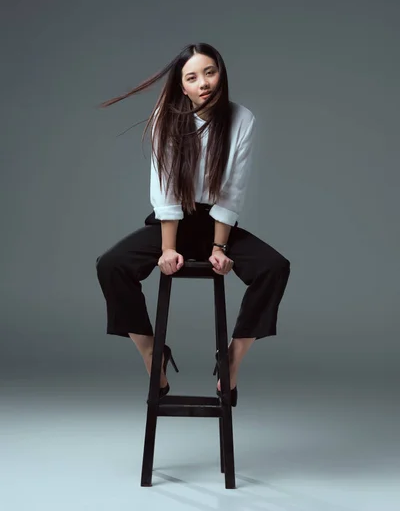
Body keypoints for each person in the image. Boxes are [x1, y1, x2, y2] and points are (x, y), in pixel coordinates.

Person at [95, 42, 290, 407]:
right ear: (182, 86)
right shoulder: (165, 119)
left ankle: (231, 360)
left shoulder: (242, 119)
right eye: (192, 77)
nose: (203, 82)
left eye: (210, 72)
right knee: (112, 265)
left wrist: (220, 248)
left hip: (215, 225)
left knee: (274, 268)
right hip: (174, 222)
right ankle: (153, 354)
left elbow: (232, 190)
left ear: (222, 74)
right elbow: (165, 188)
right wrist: (168, 248)